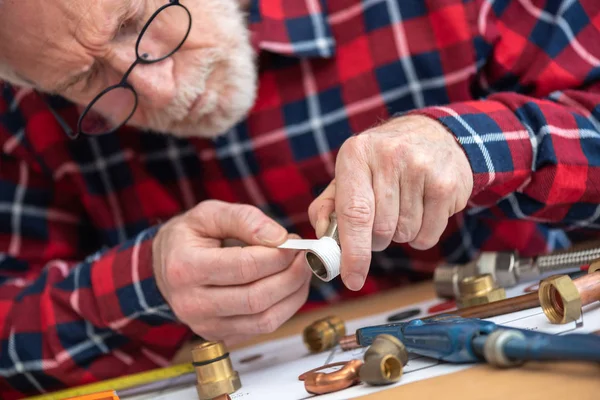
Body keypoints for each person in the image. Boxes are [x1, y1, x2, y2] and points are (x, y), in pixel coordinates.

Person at [0, 0, 598, 397]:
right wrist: (145, 284)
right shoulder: (27, 113)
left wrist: (476, 144)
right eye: (83, 82)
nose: (159, 91)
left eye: (137, 21)